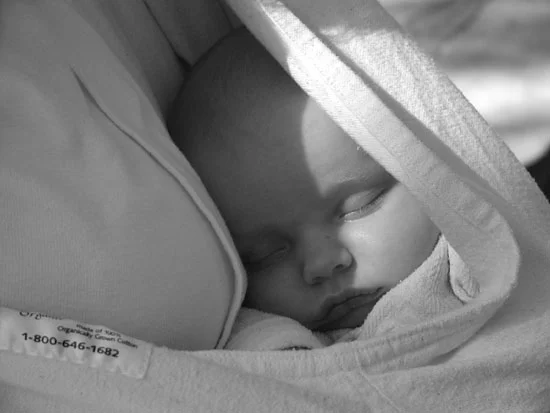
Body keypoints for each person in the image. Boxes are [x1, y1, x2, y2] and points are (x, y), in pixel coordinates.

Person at [169, 29, 474, 350]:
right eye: (264, 255)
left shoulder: (478, 248)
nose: (322, 263)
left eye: (359, 207)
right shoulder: (270, 341)